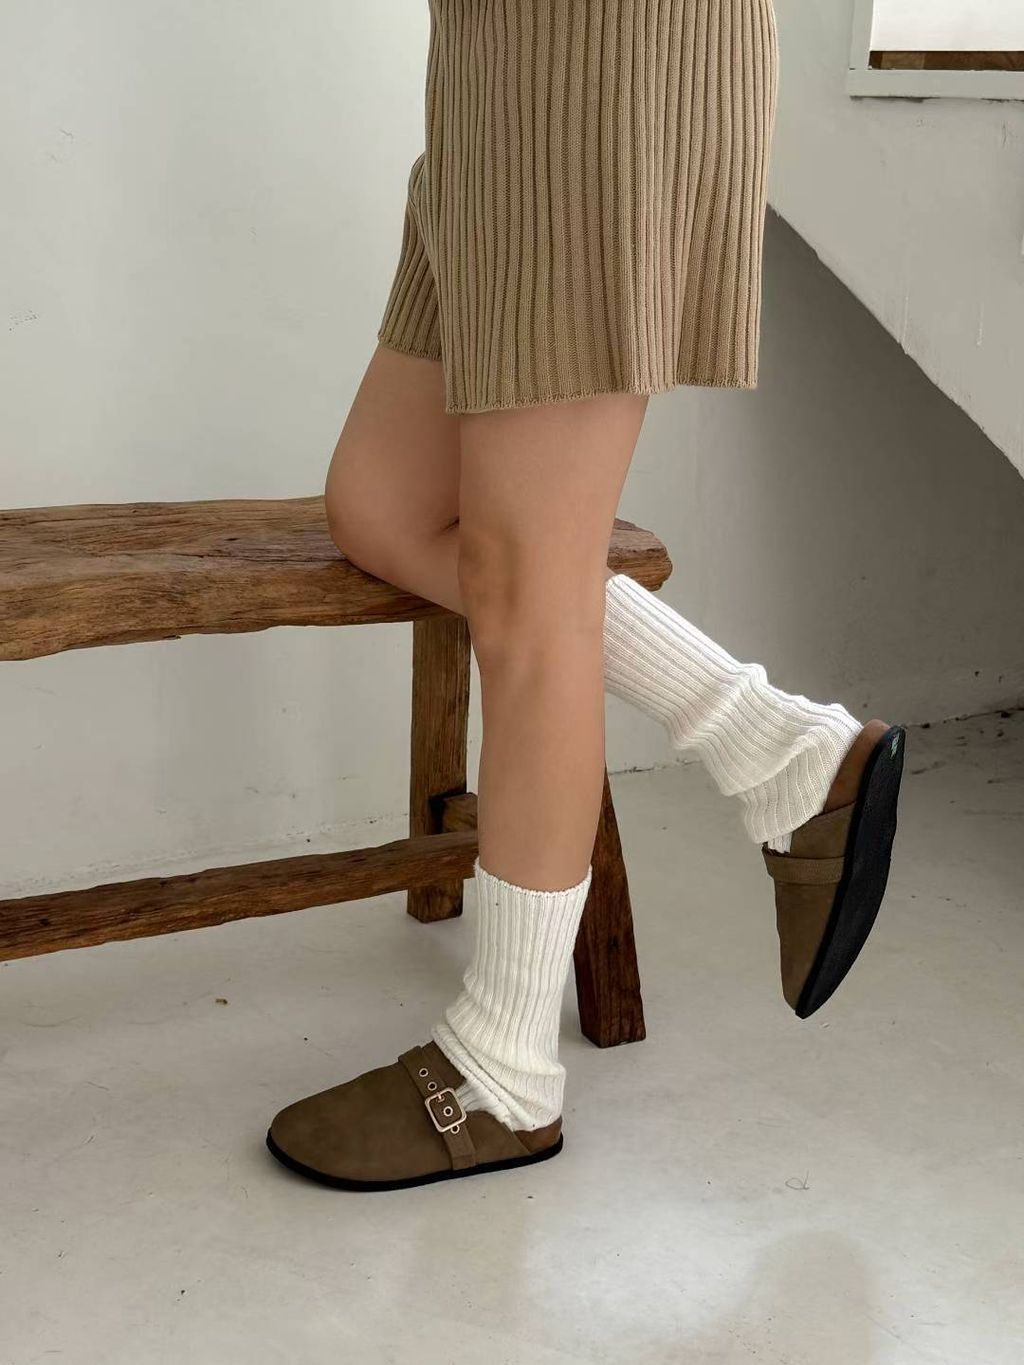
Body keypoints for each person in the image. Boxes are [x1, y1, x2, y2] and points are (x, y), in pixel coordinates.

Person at [266, 0, 905, 1192]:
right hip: (497, 72)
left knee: (529, 586)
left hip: (592, 60)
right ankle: (773, 743)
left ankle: (503, 1069)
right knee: (385, 508)